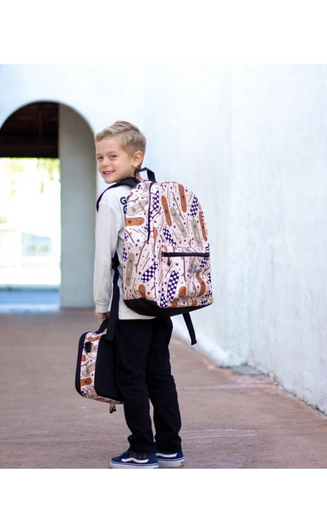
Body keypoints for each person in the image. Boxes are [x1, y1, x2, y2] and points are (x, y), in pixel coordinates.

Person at [93, 120, 184, 469]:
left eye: (112, 156)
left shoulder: (113, 198)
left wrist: (102, 304)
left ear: (136, 157)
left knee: (132, 377)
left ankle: (142, 450)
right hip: (163, 306)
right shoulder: (155, 192)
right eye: (100, 156)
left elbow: (104, 259)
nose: (104, 163)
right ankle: (170, 448)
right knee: (160, 375)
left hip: (130, 309)